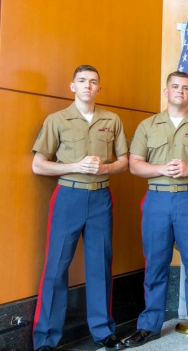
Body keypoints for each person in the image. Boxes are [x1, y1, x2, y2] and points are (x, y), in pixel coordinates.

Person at [32, 65, 129, 351]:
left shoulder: (112, 120)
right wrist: (75, 166)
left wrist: (106, 167)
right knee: (56, 267)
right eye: (82, 81)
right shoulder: (57, 120)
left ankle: (103, 332)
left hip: (100, 198)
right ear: (72, 86)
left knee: (100, 265)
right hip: (68, 197)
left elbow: (124, 161)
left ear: (100, 88)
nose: (88, 85)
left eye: (94, 82)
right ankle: (46, 340)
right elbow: (38, 164)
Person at [124, 71, 188, 347]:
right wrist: (160, 169)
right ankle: (149, 325)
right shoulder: (148, 125)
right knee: (155, 263)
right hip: (157, 200)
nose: (180, 90)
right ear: (166, 92)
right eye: (175, 86)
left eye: (185, 87)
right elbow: (134, 164)